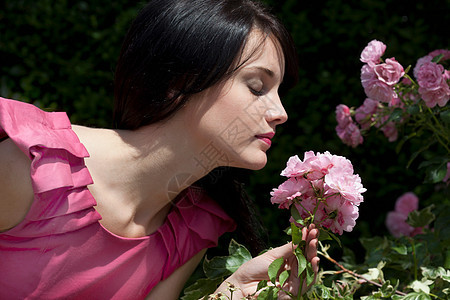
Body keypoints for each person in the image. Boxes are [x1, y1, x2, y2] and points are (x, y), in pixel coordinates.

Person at [0, 0, 319, 298]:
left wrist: (232, 291)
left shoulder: (188, 230)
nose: (280, 112)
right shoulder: (34, 167)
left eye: (278, 91)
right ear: (178, 82)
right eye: (256, 86)